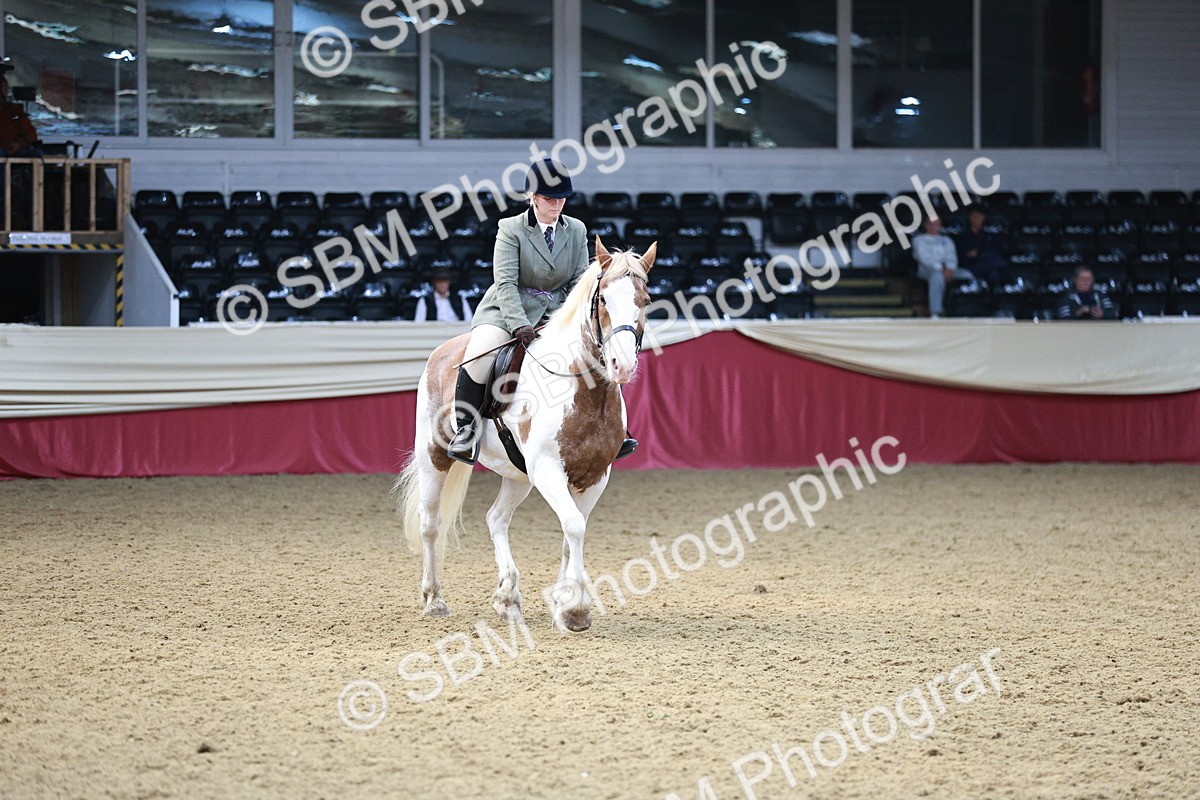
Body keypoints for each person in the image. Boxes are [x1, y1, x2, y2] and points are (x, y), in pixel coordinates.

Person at [447, 158, 636, 465]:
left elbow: (578, 282)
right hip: (508, 310)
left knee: (600, 351)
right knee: (480, 353)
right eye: (549, 198)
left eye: (561, 198)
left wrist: (571, 319)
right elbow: (505, 282)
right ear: (532, 196)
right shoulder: (510, 229)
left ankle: (618, 429)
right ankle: (465, 431)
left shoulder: (576, 230)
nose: (556, 204)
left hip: (557, 313)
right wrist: (519, 322)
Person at [912, 215, 974, 318]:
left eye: (936, 224)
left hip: (948, 270)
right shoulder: (919, 240)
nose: (933, 227)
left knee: (967, 274)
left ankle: (965, 309)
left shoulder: (946, 240)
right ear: (925, 225)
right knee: (937, 277)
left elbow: (951, 256)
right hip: (927, 269)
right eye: (930, 224)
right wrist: (940, 269)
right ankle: (936, 311)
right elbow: (924, 258)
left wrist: (950, 268)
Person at [954, 204, 1006, 286]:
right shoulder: (962, 237)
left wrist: (979, 253)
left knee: (993, 272)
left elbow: (997, 252)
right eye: (975, 216)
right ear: (970, 217)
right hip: (969, 267)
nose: (977, 219)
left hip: (987, 265)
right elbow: (961, 256)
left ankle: (993, 296)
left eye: (980, 216)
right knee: (996, 262)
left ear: (984, 218)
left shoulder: (989, 237)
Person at [0, 59, 42, 157]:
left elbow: (31, 134)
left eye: (3, 87)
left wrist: (19, 144)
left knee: (36, 154)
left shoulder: (13, 110)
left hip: (13, 151)